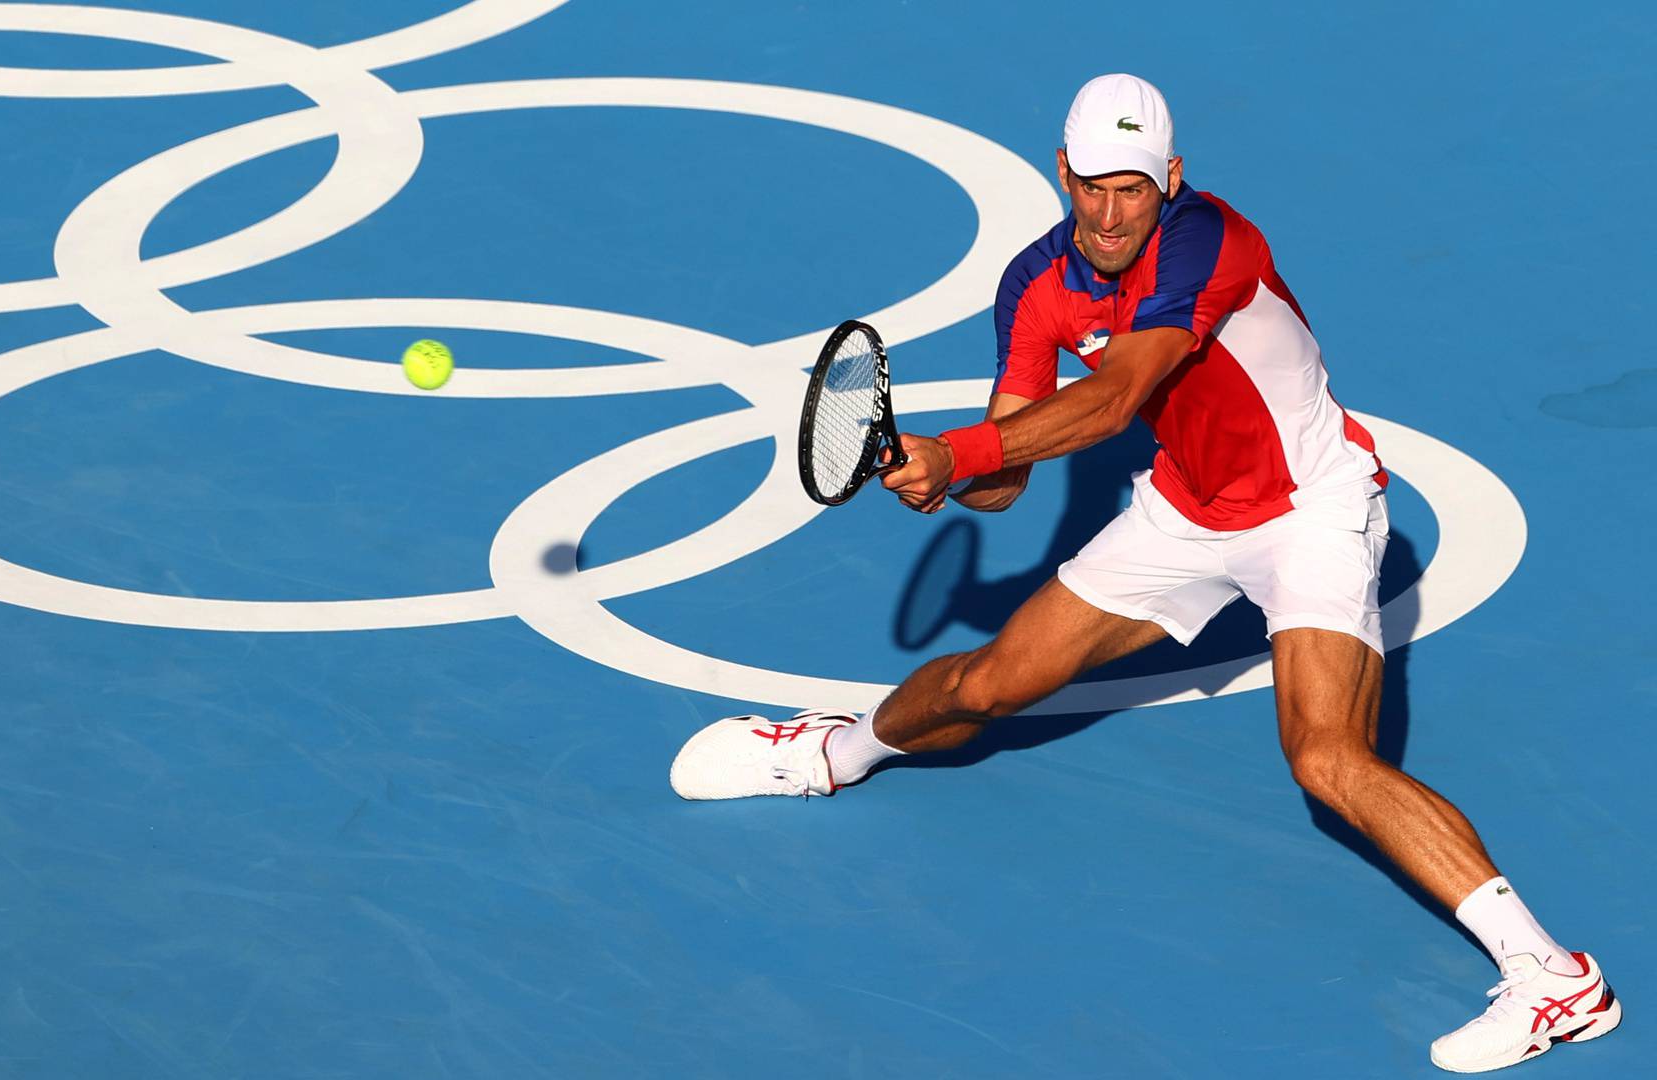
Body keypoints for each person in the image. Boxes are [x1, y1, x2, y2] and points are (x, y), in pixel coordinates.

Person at [669, 73, 1619, 1073]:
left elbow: (1119, 397)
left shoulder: (1210, 239)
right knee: (990, 682)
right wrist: (936, 473)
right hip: (1182, 513)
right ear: (1062, 174)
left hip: (1312, 511)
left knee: (1325, 756)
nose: (1113, 213)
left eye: (1134, 189)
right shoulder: (1033, 288)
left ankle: (1556, 981)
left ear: (1169, 178)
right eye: (1093, 187)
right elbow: (1006, 474)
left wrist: (961, 456)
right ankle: (831, 753)